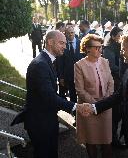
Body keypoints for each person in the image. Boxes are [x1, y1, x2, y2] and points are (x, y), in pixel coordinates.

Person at [11, 30, 90, 158]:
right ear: (50, 42)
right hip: (40, 123)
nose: (65, 46)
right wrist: (76, 107)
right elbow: (49, 97)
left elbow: (51, 93)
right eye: (61, 43)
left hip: (46, 119)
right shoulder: (40, 64)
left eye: (65, 43)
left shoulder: (46, 61)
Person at [74, 34, 114, 158]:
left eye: (100, 47)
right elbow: (80, 90)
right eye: (96, 47)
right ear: (87, 48)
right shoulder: (79, 65)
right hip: (87, 107)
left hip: (105, 106)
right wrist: (95, 105)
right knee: (90, 141)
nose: (99, 50)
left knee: (106, 141)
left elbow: (111, 82)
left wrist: (106, 100)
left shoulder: (105, 61)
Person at [102, 26, 124, 147]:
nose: (121, 37)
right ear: (113, 36)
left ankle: (115, 137)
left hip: (122, 81)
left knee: (120, 112)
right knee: (115, 112)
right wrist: (126, 71)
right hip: (114, 83)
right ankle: (112, 139)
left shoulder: (121, 46)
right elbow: (111, 66)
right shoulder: (108, 49)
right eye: (119, 35)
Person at [57, 25, 84, 104]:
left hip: (81, 75)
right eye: (68, 33)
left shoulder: (81, 43)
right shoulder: (63, 45)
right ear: (65, 34)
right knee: (72, 95)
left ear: (74, 33)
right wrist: (61, 77)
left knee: (82, 95)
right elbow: (60, 63)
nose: (70, 35)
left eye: (72, 32)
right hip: (68, 76)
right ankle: (75, 112)